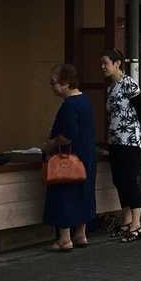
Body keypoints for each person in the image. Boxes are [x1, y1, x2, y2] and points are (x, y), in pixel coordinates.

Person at [43, 63, 96, 252]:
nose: (52, 87)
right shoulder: (86, 101)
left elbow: (67, 135)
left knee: (63, 194)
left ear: (65, 83)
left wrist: (50, 144)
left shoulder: (69, 105)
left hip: (67, 159)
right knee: (84, 193)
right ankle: (81, 234)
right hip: (86, 156)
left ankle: (64, 239)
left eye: (53, 83)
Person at [100, 50, 141, 242]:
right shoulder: (111, 88)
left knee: (130, 180)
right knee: (119, 181)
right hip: (116, 141)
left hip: (131, 141)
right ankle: (126, 221)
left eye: (105, 63)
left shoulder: (129, 83)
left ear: (117, 63)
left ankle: (137, 224)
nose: (102, 67)